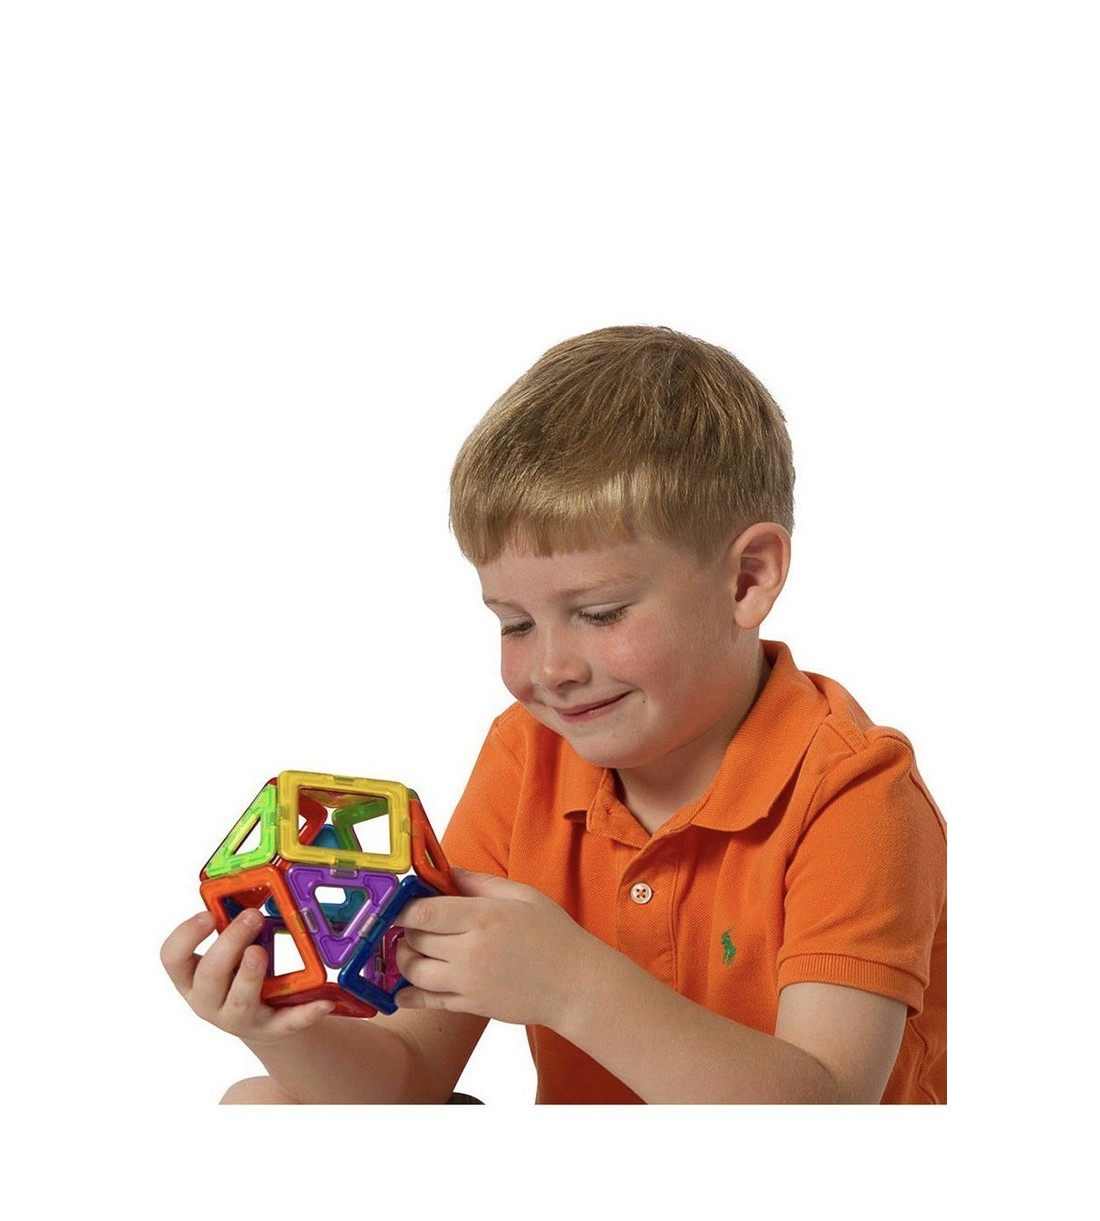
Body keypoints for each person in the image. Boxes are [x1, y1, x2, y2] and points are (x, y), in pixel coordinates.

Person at [161, 326, 946, 1104]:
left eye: (600, 614)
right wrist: (273, 1023)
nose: (549, 670)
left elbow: (827, 1114)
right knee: (262, 1104)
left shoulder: (856, 791)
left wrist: (574, 987)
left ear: (747, 578)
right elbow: (408, 1079)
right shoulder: (528, 752)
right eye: (515, 624)